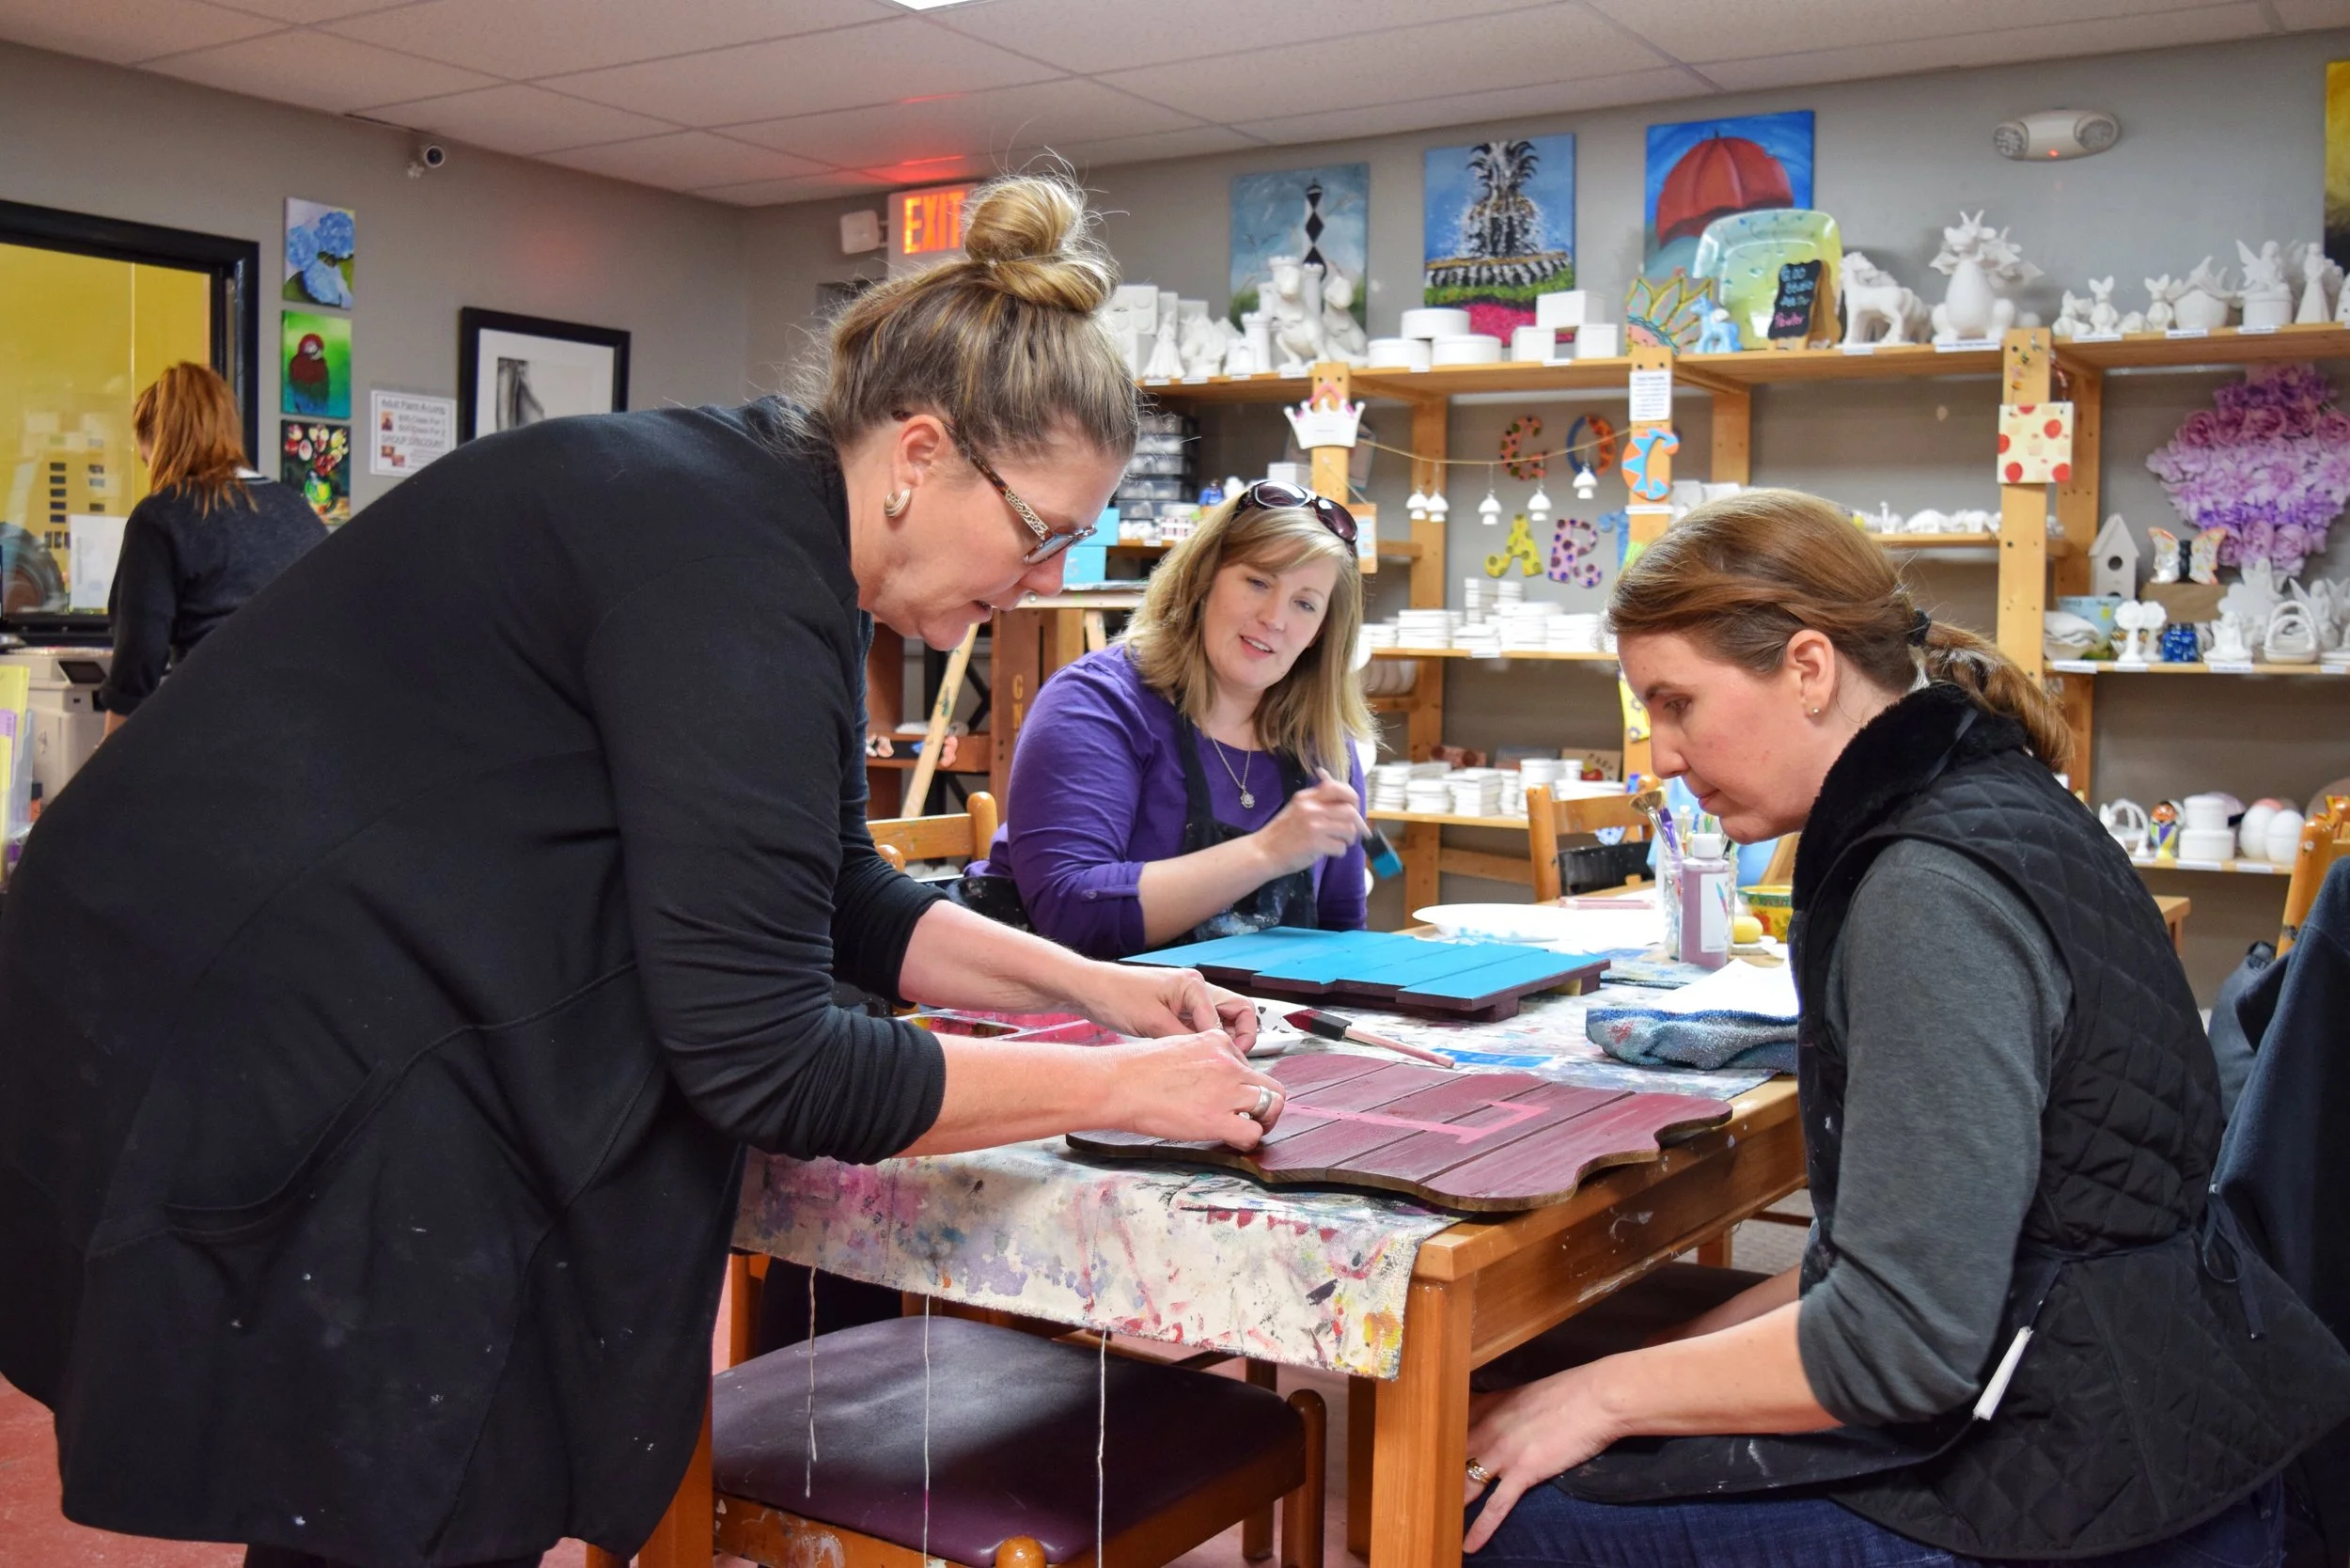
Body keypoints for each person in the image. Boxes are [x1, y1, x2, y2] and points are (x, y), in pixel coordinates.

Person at [0, 174, 1288, 1568]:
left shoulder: (758, 522)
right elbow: (770, 1060)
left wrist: (1096, 992)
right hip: (239, 1001)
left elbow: (835, 884)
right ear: (919, 453)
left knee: (425, 1475)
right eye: (1042, 531)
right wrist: (1122, 1094)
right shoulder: (728, 571)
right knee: (406, 1466)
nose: (1046, 579)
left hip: (330, 984)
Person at [1458, 490, 2350, 1566]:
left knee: (1489, 1514)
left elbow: (1901, 1346)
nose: (1660, 754)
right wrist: (1654, 1363)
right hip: (2149, 1408)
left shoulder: (1926, 890)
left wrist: (1597, 1399)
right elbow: (1928, 1249)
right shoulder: (1995, 794)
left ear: (1807, 667)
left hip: (2093, 1487)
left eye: (1676, 703)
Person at [966, 486, 1373, 958]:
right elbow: (1071, 913)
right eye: (1258, 582)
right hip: (1053, 1007)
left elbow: (1341, 937)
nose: (1274, 618)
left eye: (1305, 603)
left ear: (1321, 632)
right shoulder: (1098, 703)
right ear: (1205, 580)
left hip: (1245, 1023)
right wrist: (1267, 853)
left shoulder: (1320, 742)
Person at [100, 362, 328, 730]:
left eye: (147, 459)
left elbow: (138, 660)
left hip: (216, 733)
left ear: (160, 442)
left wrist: (106, 765)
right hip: (308, 730)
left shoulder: (162, 516)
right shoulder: (297, 510)